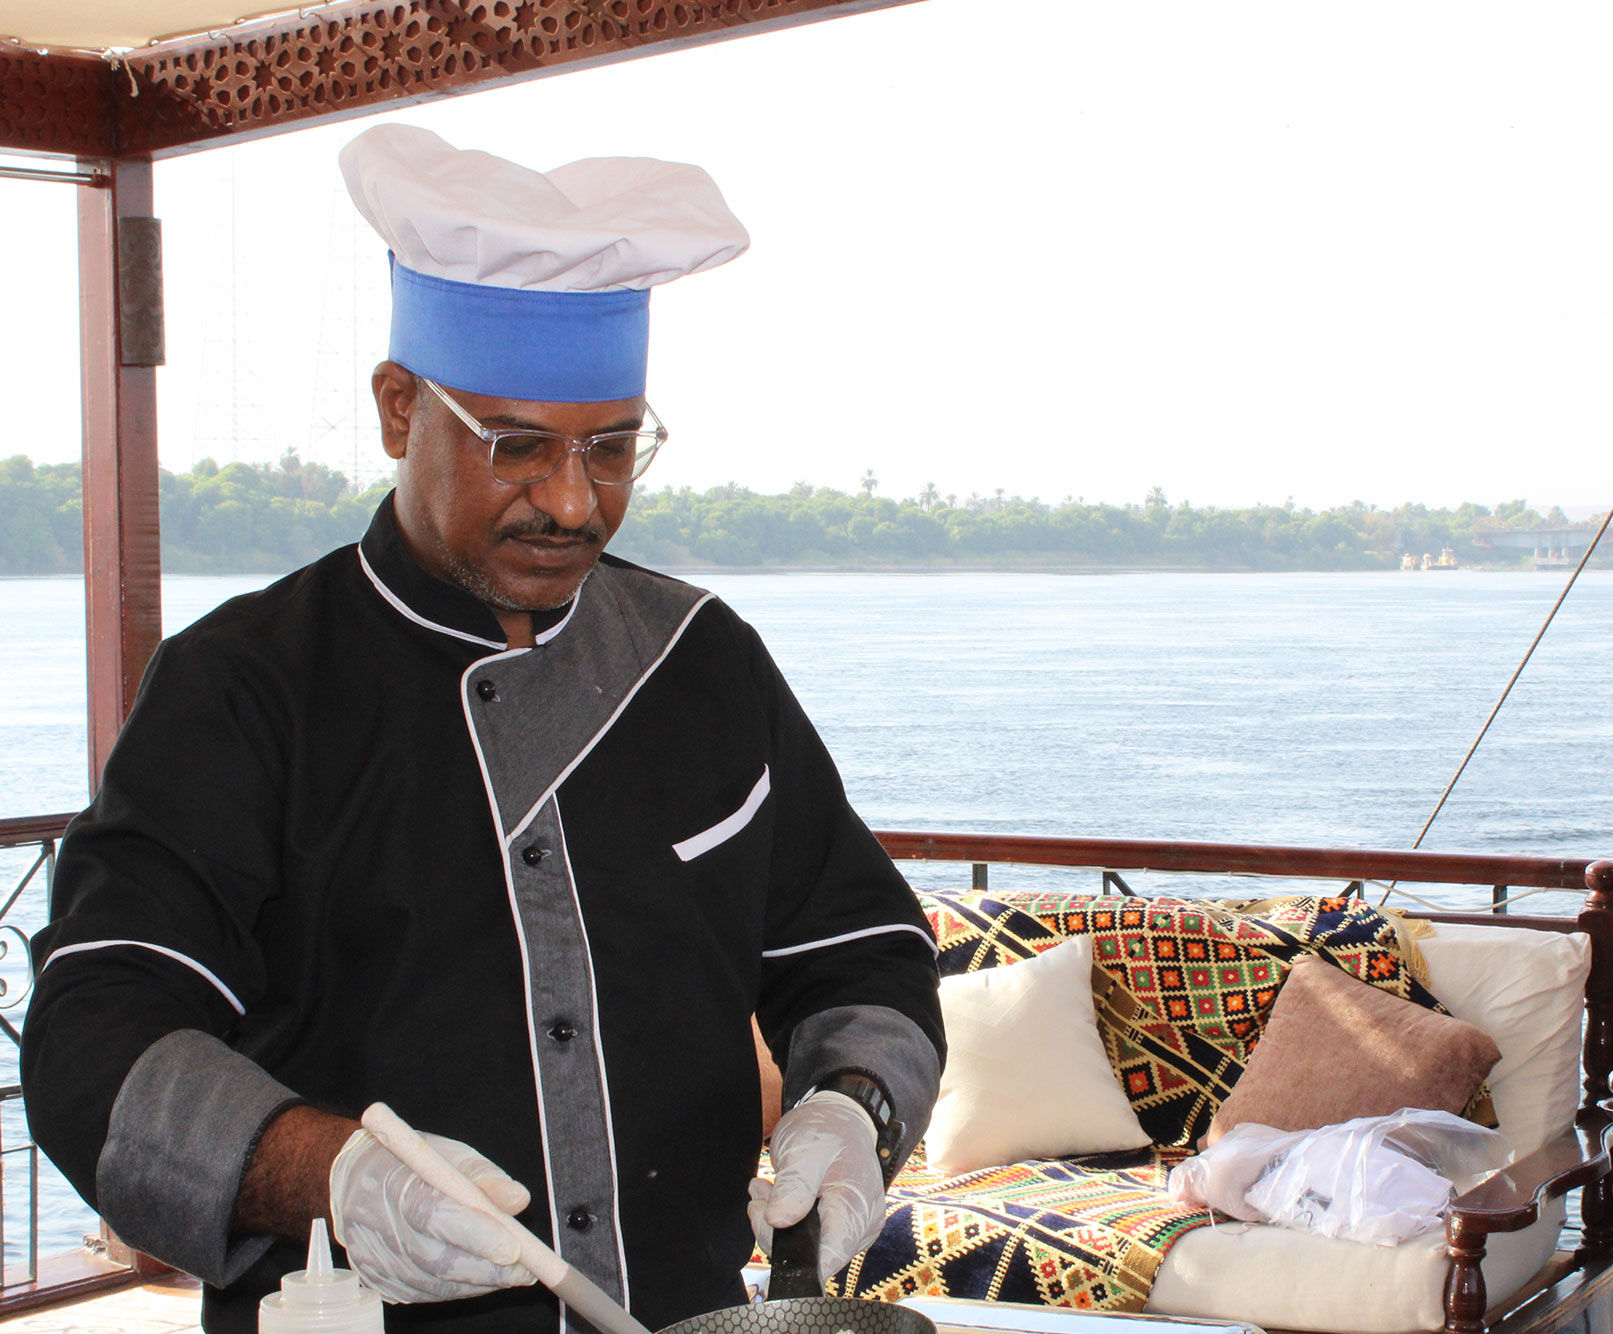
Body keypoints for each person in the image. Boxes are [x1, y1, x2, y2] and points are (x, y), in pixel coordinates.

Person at [22, 124, 944, 1334]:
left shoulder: (701, 660)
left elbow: (859, 947)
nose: (572, 500)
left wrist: (850, 1106)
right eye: (517, 446)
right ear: (399, 408)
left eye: (613, 447)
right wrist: (335, 1171)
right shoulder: (241, 687)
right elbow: (99, 1032)